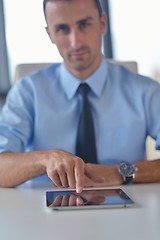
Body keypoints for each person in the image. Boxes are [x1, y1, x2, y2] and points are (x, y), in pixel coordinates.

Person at [0, 0, 160, 193]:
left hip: (128, 213)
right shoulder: (27, 91)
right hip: (43, 215)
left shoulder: (145, 91)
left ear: (102, 23)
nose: (76, 42)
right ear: (50, 34)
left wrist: (119, 172)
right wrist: (45, 159)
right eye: (62, 29)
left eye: (84, 25)